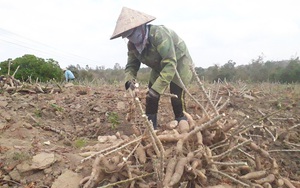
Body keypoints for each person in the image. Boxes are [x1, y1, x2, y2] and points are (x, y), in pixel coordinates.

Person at [110, 7, 193, 129]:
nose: (131, 39)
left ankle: (182, 123)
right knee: (151, 96)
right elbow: (131, 65)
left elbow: (170, 63)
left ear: (140, 28)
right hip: (158, 65)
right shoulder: (132, 45)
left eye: (132, 34)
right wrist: (130, 81)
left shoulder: (159, 34)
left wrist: (157, 89)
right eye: (127, 36)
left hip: (179, 63)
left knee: (176, 97)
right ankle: (151, 128)